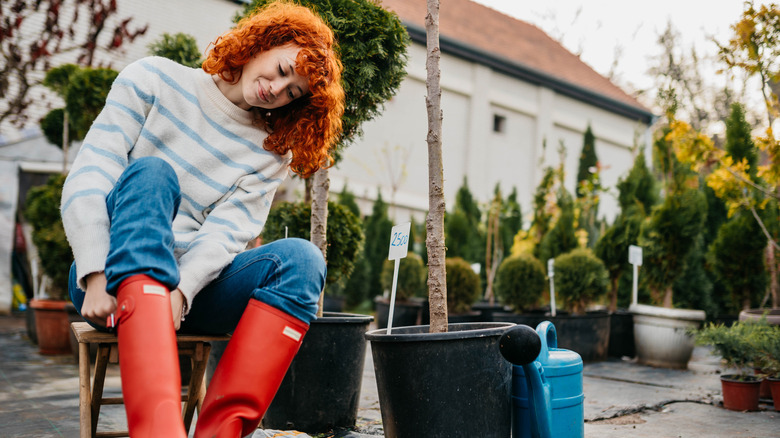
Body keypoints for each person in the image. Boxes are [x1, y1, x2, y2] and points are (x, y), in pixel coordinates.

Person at [61, 2, 344, 437]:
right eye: (283, 69)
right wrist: (95, 271)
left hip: (189, 296)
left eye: (293, 92)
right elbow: (91, 173)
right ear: (262, 42)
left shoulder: (269, 153)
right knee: (153, 174)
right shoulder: (153, 79)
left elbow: (225, 235)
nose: (278, 88)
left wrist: (181, 292)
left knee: (303, 259)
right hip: (112, 281)